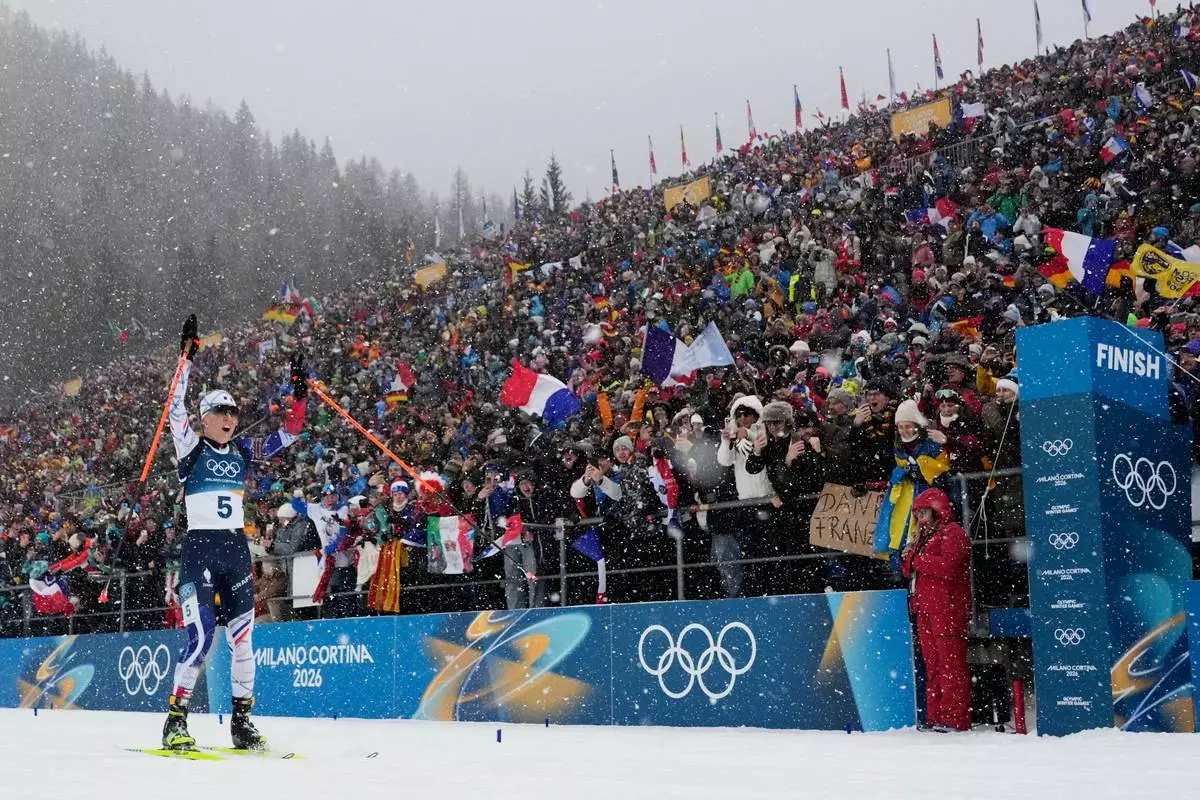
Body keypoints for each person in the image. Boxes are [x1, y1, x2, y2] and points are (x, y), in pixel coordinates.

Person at [162, 315, 308, 751]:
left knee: (243, 641)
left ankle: (242, 723)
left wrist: (299, 395)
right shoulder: (191, 447)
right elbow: (174, 407)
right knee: (202, 637)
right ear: (205, 419)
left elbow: (290, 434)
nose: (228, 418)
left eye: (232, 413)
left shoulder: (243, 450)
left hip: (235, 552)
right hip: (200, 551)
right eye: (220, 412)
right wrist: (185, 359)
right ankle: (175, 722)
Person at [902, 488, 972, 732]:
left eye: (924, 512)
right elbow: (908, 569)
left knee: (950, 665)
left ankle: (954, 718)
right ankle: (936, 716)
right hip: (926, 608)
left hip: (947, 608)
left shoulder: (952, 533)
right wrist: (909, 557)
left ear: (937, 511)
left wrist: (916, 560)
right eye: (918, 513)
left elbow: (950, 566)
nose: (920, 518)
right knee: (933, 665)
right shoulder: (924, 537)